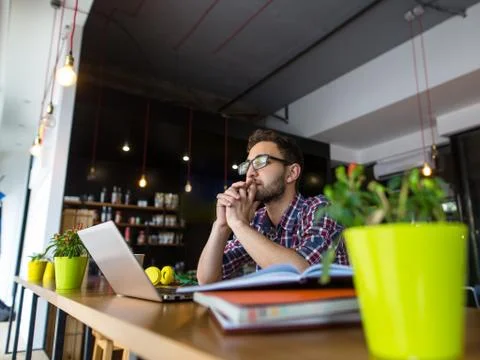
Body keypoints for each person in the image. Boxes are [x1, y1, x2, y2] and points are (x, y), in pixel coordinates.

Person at [197, 129, 348, 284]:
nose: (250, 173)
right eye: (248, 165)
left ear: (291, 173)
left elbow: (303, 273)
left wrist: (239, 224)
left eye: (260, 161)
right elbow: (207, 280)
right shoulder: (257, 221)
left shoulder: (321, 209)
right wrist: (222, 225)